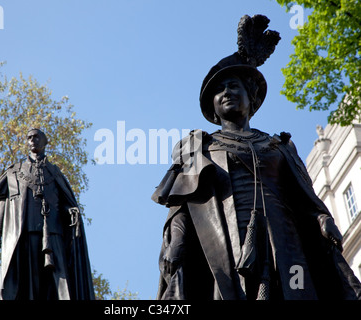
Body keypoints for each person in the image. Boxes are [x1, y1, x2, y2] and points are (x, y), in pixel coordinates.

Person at [151, 14, 361, 300]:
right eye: (219, 90)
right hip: (227, 245)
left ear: (252, 97)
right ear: (212, 106)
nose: (226, 92)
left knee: (295, 291)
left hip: (285, 243)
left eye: (234, 86)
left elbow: (305, 199)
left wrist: (322, 219)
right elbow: (182, 207)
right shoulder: (199, 147)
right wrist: (177, 242)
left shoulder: (279, 146)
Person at [0, 128, 95, 300]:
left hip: (54, 233)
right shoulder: (14, 172)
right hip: (24, 233)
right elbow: (2, 201)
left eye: (36, 137)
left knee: (60, 278)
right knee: (27, 278)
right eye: (29, 137)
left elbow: (64, 203)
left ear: (45, 142)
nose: (32, 140)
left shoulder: (55, 173)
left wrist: (71, 211)